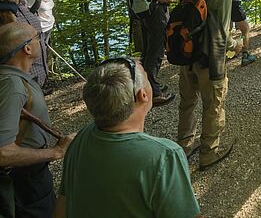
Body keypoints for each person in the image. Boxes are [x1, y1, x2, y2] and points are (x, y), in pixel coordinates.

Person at [56, 58, 200, 217]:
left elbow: (62, 208)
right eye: (146, 76)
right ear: (142, 95)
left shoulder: (82, 138)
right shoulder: (164, 156)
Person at [0, 23, 74, 216]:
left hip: (23, 183)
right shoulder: (10, 86)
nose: (40, 41)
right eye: (36, 38)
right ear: (27, 48)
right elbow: (0, 154)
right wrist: (56, 152)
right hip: (22, 187)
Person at [177, 0, 237, 170]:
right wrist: (235, 45)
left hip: (188, 56)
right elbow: (222, 34)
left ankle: (182, 148)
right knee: (213, 105)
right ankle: (208, 154)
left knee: (187, 103)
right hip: (210, 61)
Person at [137, 0, 176, 107]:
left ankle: (145, 87)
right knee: (156, 51)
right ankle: (154, 92)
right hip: (157, 12)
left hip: (144, 12)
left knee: (147, 51)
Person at [33, 0, 58, 86]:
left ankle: (44, 80)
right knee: (38, 56)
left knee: (44, 54)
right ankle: (39, 83)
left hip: (48, 28)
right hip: (38, 31)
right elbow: (24, 12)